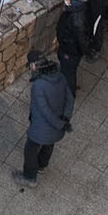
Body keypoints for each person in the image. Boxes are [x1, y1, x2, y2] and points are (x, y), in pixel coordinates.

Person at [15, 52, 74, 186]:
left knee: (30, 149)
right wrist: (65, 119)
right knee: (49, 143)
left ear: (34, 66)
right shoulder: (59, 75)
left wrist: (59, 124)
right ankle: (42, 165)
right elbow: (69, 99)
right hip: (58, 124)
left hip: (43, 126)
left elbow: (44, 110)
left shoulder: (39, 85)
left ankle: (29, 177)